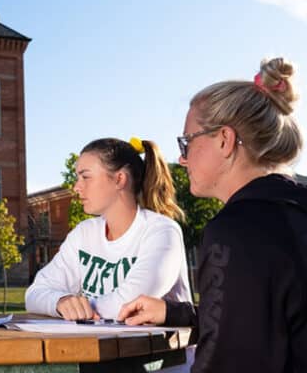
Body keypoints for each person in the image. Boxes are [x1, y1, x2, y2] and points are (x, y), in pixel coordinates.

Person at [119, 58, 307, 372]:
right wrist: (177, 314)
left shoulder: (240, 230)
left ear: (224, 139)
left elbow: (229, 362)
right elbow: (274, 314)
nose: (181, 160)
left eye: (187, 142)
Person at [25, 137, 192, 320]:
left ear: (119, 179)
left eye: (86, 177)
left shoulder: (162, 231)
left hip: (163, 348)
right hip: (105, 346)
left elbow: (127, 305)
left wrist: (80, 308)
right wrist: (61, 302)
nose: (76, 187)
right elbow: (33, 294)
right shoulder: (84, 233)